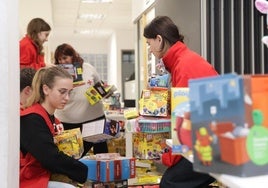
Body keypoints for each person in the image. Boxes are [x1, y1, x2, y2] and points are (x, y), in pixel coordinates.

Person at [143, 16, 218, 188]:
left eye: (149, 43)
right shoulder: (184, 61)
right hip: (210, 137)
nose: (150, 50)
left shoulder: (183, 67)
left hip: (210, 144)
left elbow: (184, 124)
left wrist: (168, 157)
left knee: (170, 183)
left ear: (159, 39)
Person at [20, 66, 88, 188]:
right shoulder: (32, 119)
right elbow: (49, 157)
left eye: (69, 92)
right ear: (46, 89)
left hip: (46, 175)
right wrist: (82, 170)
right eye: (62, 92)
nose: (67, 98)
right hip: (31, 179)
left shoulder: (54, 119)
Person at [54, 43, 108, 156]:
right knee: (71, 155)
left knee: (101, 153)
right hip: (68, 120)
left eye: (65, 57)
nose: (62, 61)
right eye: (59, 59)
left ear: (73, 56)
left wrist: (104, 91)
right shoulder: (56, 74)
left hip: (94, 118)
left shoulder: (87, 68)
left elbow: (99, 85)